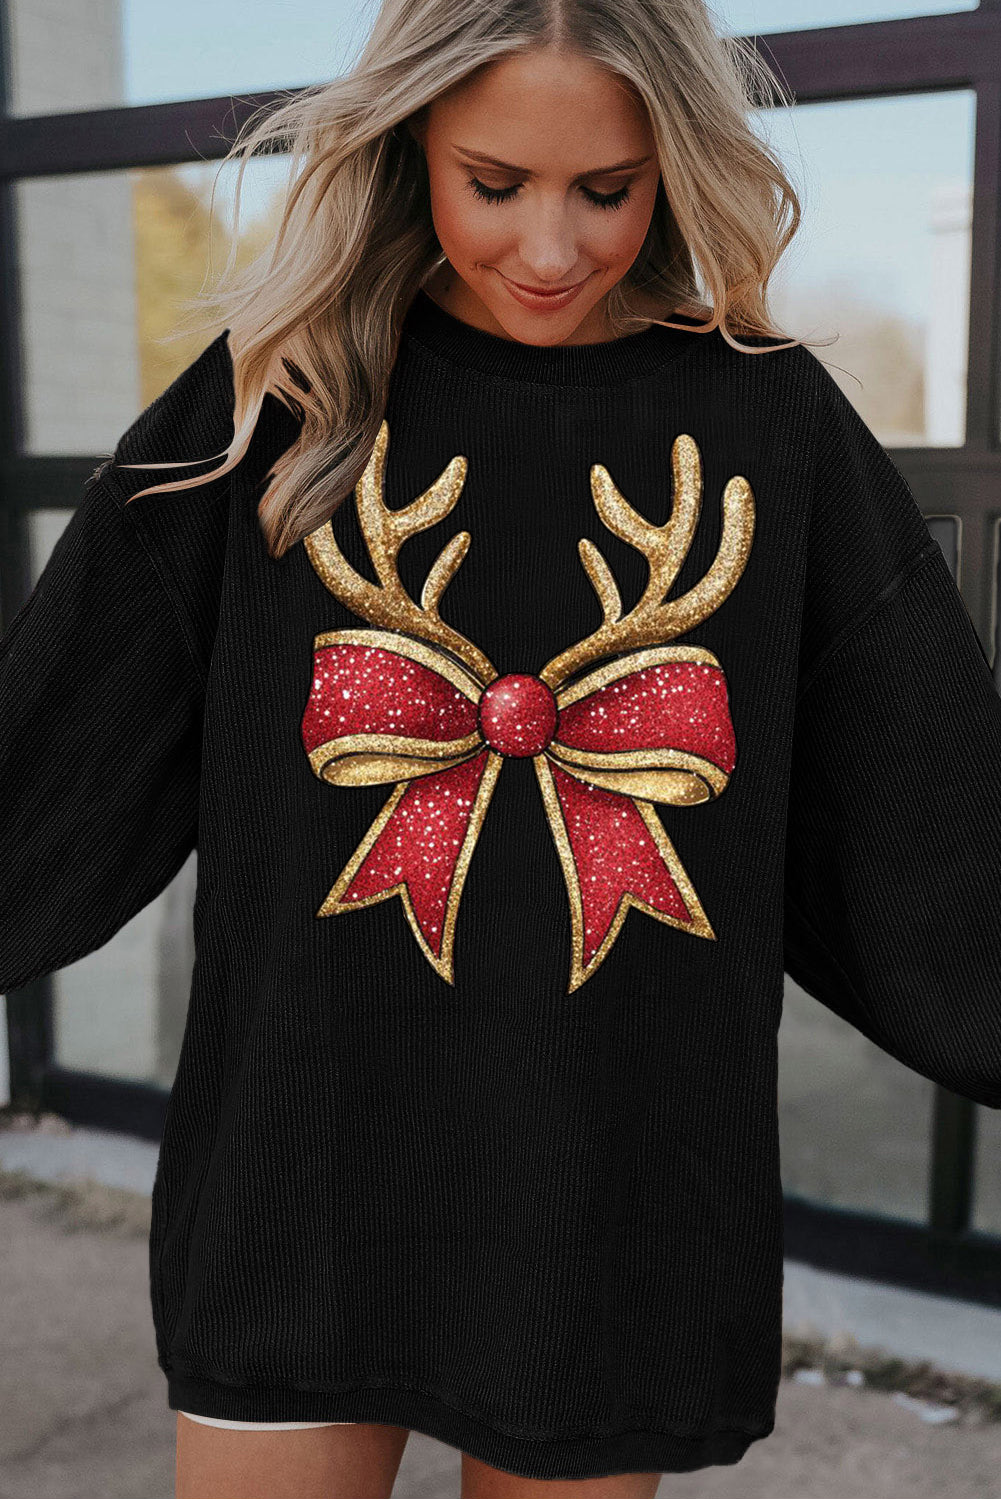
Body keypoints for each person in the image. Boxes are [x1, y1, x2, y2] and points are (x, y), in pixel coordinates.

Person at [3, 1, 1001, 1497]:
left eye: (605, 189)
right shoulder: (276, 401)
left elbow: (928, 809)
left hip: (611, 1193)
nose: (549, 247)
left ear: (673, 164)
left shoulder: (768, 420)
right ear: (410, 146)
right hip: (305, 1172)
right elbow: (59, 741)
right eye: (495, 183)